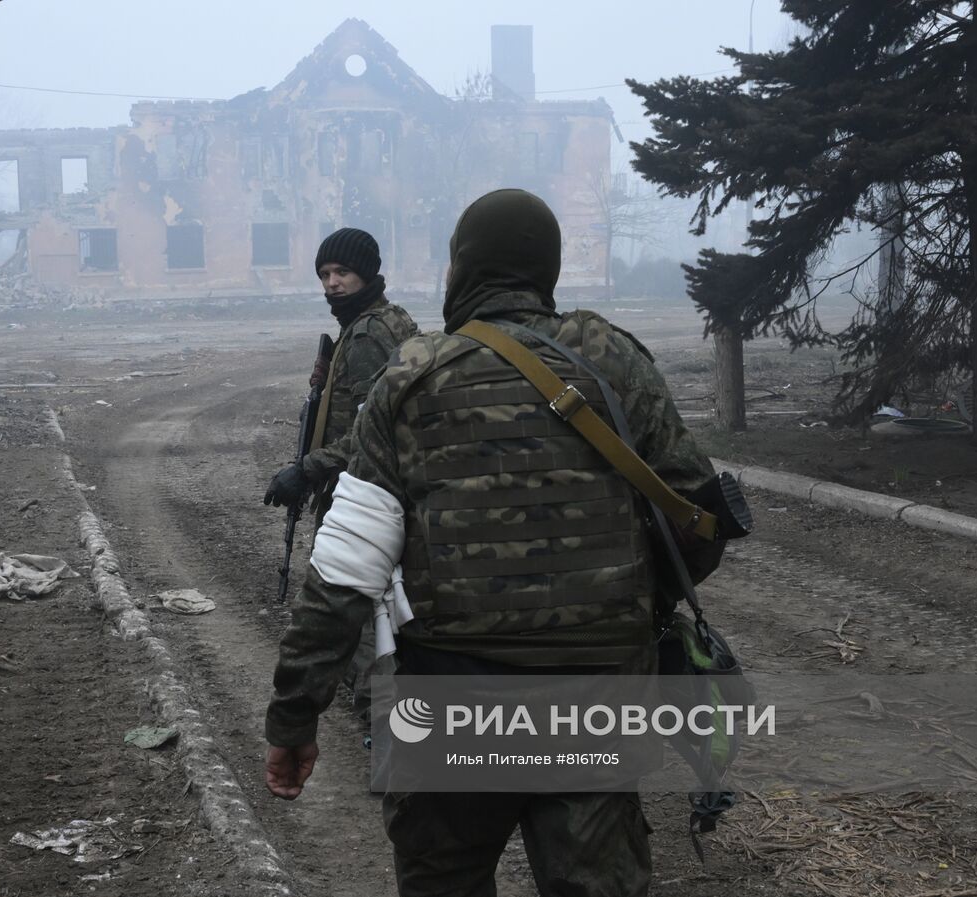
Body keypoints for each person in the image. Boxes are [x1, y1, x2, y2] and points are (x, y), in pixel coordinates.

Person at [263, 189, 718, 897]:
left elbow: (344, 576)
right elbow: (698, 516)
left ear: (460, 269)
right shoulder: (613, 361)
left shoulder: (410, 377)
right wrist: (626, 611)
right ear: (546, 268)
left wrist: (294, 713)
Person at [264, 227, 418, 715]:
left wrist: (307, 470)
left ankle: (389, 737)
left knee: (364, 615)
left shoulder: (371, 332)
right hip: (379, 491)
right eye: (324, 274)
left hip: (368, 495)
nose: (331, 283)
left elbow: (374, 428)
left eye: (343, 273)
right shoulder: (375, 323)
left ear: (367, 274)